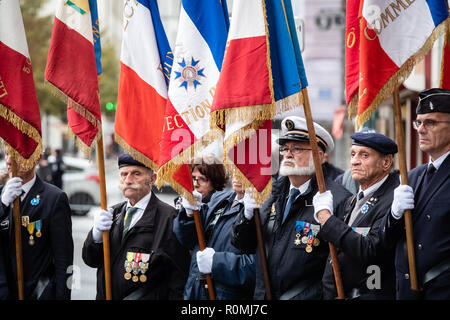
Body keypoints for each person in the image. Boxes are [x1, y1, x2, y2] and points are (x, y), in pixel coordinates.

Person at [232, 116, 352, 300]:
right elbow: (244, 245)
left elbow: (340, 266)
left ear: (319, 156)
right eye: (285, 149)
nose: (288, 154)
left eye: (297, 149)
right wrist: (246, 217)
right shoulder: (271, 193)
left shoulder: (337, 199)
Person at [82, 153, 190, 300]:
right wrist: (96, 235)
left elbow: (178, 277)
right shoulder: (112, 214)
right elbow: (91, 260)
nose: (128, 180)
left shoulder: (169, 217)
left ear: (152, 179)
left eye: (136, 174)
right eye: (124, 174)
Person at [381, 88, 450, 299]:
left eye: (431, 122)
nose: (420, 129)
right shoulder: (412, 176)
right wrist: (393, 215)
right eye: (418, 122)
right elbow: (385, 241)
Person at [313, 131, 399, 299]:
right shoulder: (354, 199)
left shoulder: (394, 198)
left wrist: (326, 219)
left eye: (364, 155)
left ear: (386, 162)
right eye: (353, 154)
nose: (354, 161)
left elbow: (369, 249)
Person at [173, 157, 255, 300]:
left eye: (244, 170)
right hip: (195, 291)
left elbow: (258, 269)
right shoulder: (219, 200)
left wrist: (216, 262)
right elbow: (187, 239)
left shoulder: (261, 211)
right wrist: (188, 215)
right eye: (235, 168)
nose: (237, 175)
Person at [0, 151, 73, 300]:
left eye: (16, 154)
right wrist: (2, 205)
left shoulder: (54, 198)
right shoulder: (1, 196)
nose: (9, 161)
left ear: (36, 158)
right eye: (7, 154)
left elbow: (63, 260)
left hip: (36, 293)